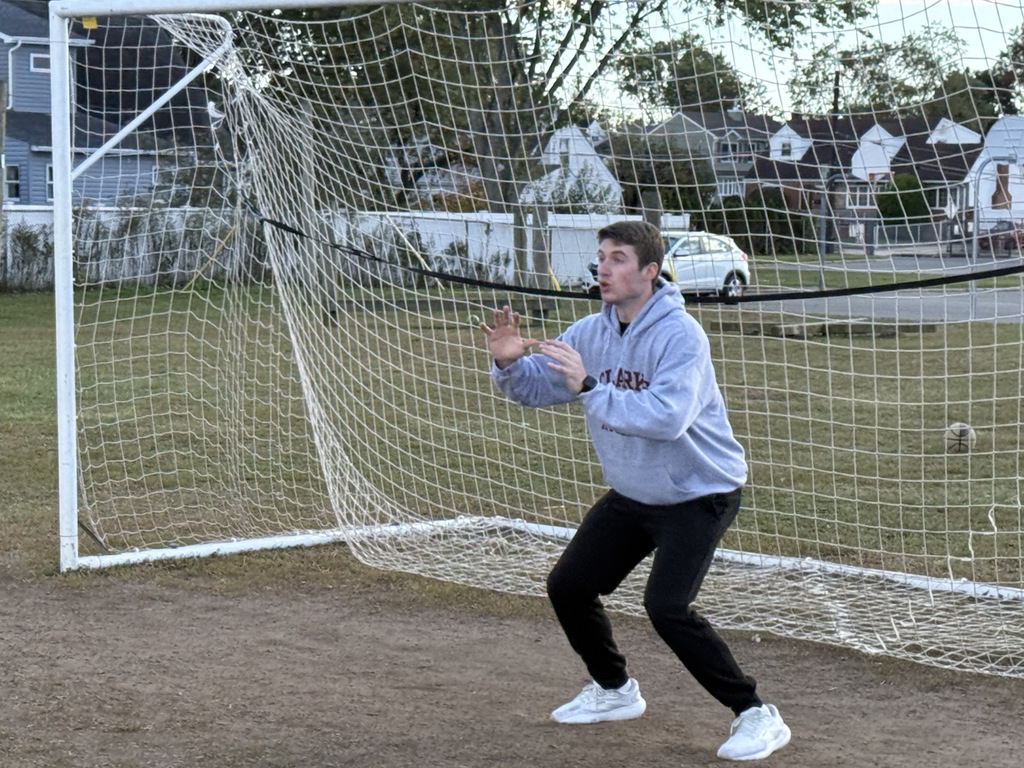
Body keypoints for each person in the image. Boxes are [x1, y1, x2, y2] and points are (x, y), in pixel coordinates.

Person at [479, 220, 790, 761]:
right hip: (634, 494)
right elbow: (535, 388)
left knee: (667, 607)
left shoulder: (681, 334)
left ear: (650, 272)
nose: (604, 267)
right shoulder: (588, 332)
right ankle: (615, 691)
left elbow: (666, 418)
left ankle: (756, 714)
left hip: (700, 492)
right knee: (570, 586)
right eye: (601, 256)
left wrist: (590, 386)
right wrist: (508, 360)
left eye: (618, 257)